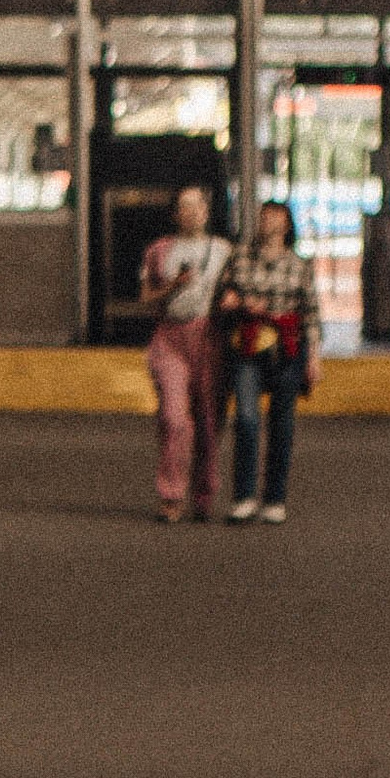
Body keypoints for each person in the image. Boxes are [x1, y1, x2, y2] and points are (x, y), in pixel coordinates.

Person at [218, 196, 324, 526]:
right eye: (264, 216)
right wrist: (235, 302)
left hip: (287, 348)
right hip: (248, 345)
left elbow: (311, 314)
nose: (268, 222)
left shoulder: (299, 264)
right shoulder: (240, 257)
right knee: (247, 419)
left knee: (282, 423)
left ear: (287, 225)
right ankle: (244, 496)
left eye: (276, 217)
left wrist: (315, 357)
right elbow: (223, 297)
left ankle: (275, 498)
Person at [140, 181, 230, 524]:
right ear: (175, 214)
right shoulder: (160, 250)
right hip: (170, 338)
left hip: (210, 338)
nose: (190, 213)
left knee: (209, 420)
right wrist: (172, 286)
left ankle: (204, 492)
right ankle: (172, 493)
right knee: (173, 417)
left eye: (197, 206)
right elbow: (146, 296)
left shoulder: (224, 250)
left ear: (207, 212)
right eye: (184, 206)